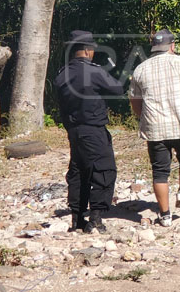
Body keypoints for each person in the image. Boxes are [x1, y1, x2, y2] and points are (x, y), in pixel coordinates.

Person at [129, 29, 180, 227]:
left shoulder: (141, 69)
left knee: (160, 171)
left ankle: (165, 215)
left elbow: (135, 100)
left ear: (153, 48)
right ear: (172, 46)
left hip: (155, 128)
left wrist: (142, 117)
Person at [54, 30, 124, 233]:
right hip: (93, 129)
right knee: (104, 170)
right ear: (87, 51)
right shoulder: (93, 71)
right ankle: (96, 218)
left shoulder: (62, 73)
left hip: (73, 130)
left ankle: (77, 219)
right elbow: (117, 89)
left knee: (79, 172)